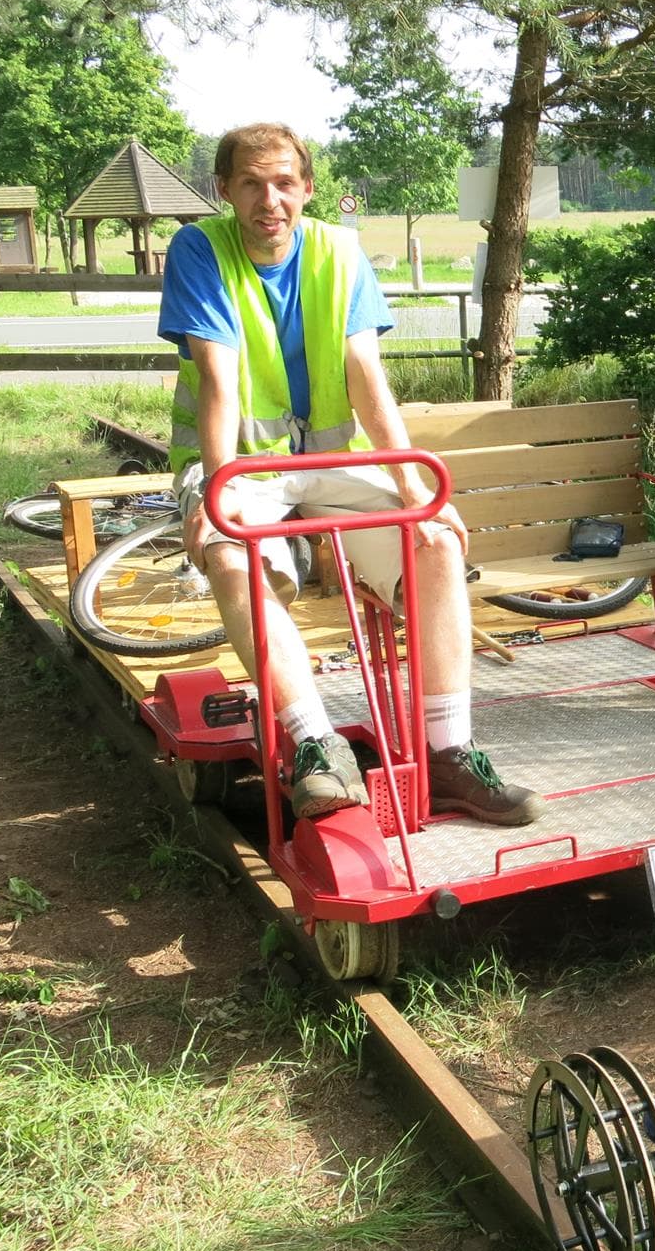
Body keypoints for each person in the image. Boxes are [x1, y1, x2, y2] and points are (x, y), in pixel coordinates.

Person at [158, 122, 542, 825]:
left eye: (282, 183)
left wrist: (412, 487)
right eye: (250, 183)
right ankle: (314, 744)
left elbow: (366, 373)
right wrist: (218, 495)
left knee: (436, 543)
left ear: (306, 189)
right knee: (239, 563)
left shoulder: (338, 250)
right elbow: (217, 376)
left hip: (338, 457)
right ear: (224, 191)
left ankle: (449, 753)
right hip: (245, 458)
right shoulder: (198, 249)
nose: (268, 200)